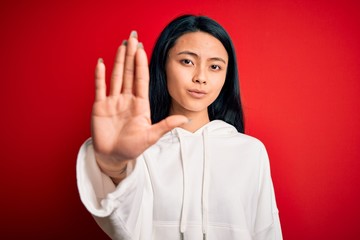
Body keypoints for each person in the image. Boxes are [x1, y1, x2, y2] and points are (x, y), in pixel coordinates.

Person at [77, 14, 282, 240]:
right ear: (163, 65)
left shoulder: (251, 152)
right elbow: (125, 227)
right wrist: (113, 165)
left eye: (215, 66)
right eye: (187, 61)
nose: (201, 77)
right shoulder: (140, 152)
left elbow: (266, 232)